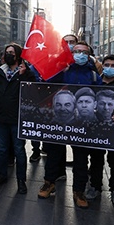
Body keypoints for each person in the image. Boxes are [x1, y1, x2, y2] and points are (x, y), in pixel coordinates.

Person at [39, 41, 102, 209]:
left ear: (89, 55)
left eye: (83, 51)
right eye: (76, 51)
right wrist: (60, 70)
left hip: (81, 124)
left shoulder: (94, 74)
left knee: (81, 158)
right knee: (54, 154)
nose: (79, 54)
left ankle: (79, 191)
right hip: (59, 121)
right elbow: (45, 83)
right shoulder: (63, 69)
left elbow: (100, 94)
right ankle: (49, 183)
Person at [0, 43, 39, 194]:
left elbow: (35, 90)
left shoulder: (24, 72)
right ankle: (1, 175)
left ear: (18, 55)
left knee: (19, 150)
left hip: (17, 118)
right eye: (6, 52)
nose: (8, 54)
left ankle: (21, 180)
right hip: (2, 117)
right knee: (2, 149)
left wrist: (26, 74)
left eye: (11, 52)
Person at [84, 54, 114, 208]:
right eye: (107, 64)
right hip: (97, 130)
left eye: (113, 65)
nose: (110, 67)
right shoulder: (93, 82)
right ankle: (94, 187)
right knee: (95, 160)